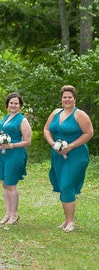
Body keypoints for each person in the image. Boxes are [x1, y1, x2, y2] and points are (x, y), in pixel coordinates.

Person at [44, 85, 93, 233]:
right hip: (58, 154)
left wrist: (71, 145)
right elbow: (46, 129)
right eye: (64, 97)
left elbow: (89, 133)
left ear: (75, 99)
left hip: (76, 154)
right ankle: (66, 220)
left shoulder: (80, 115)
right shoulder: (55, 113)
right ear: (61, 99)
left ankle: (71, 222)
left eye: (70, 97)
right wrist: (53, 144)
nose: (67, 99)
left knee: (66, 184)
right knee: (63, 185)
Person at [0, 92, 32, 225]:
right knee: (4, 183)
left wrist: (11, 145)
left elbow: (27, 141)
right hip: (1, 153)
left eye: (16, 103)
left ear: (20, 105)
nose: (13, 105)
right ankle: (7, 212)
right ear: (7, 104)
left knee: (11, 184)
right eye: (11, 103)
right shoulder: (5, 118)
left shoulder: (22, 120)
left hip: (15, 153)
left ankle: (14, 214)